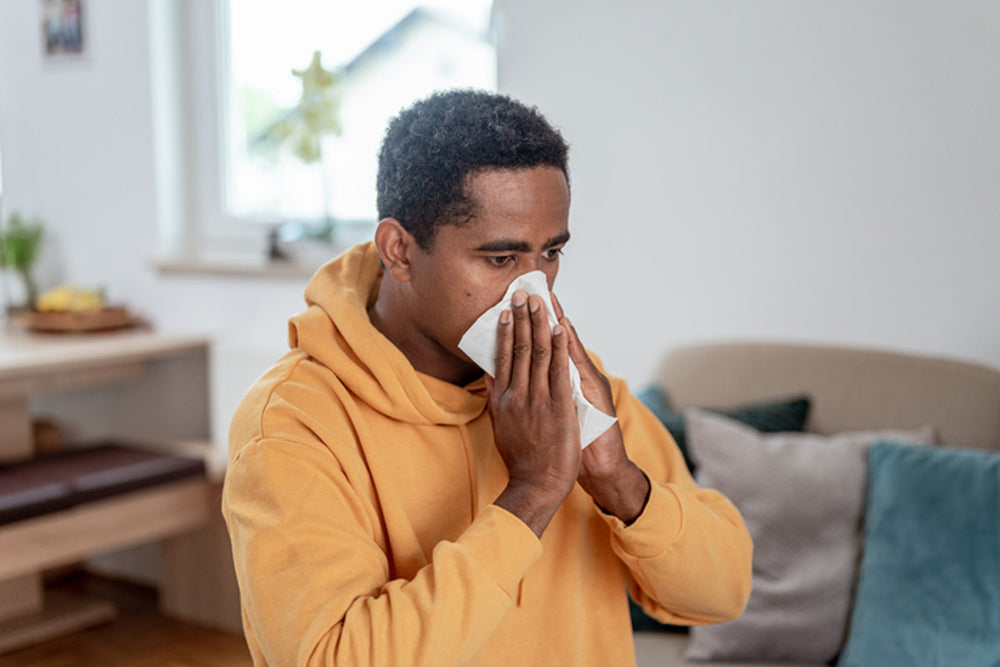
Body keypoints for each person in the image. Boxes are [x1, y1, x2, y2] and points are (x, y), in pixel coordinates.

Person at [222, 89, 752, 666]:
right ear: (399, 251)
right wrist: (536, 490)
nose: (536, 291)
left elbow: (724, 594)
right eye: (500, 260)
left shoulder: (574, 386)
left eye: (550, 254)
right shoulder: (292, 423)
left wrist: (619, 481)